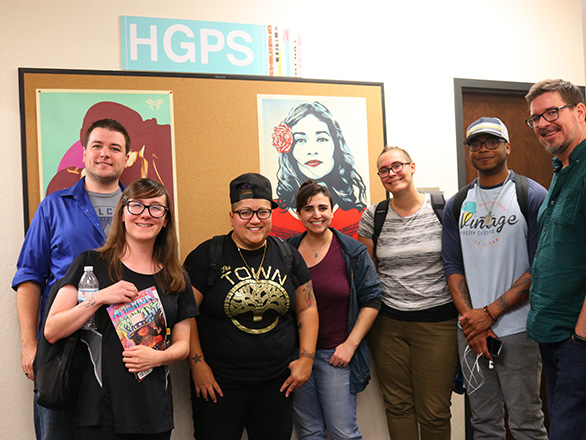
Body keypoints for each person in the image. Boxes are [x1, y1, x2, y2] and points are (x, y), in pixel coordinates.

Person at [43, 178, 197, 440]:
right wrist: (100, 297)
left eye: (156, 208)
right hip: (98, 411)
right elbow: (52, 330)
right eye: (136, 205)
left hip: (152, 413)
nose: (145, 215)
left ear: (166, 220)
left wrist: (158, 358)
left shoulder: (176, 277)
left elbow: (183, 345)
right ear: (123, 213)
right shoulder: (91, 264)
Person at [12, 118, 130, 440]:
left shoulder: (141, 211)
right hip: (61, 350)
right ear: (84, 153)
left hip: (125, 352)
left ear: (127, 158)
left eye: (115, 148)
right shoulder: (53, 207)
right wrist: (28, 345)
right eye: (97, 146)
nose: (105, 154)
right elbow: (29, 277)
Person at [183, 172, 319, 440]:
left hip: (277, 385)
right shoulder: (206, 255)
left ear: (271, 214)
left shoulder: (287, 255)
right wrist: (197, 367)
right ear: (231, 216)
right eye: (245, 212)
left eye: (262, 212)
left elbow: (307, 308)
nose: (255, 220)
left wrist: (306, 359)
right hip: (218, 385)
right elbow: (186, 315)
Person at [442, 117, 548, 438]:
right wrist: (471, 322)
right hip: (470, 333)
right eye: (475, 143)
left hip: (519, 330)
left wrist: (489, 314)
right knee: (484, 425)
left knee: (526, 423)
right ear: (469, 151)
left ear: (507, 147)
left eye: (491, 142)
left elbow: (540, 266)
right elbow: (451, 265)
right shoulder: (458, 204)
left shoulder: (530, 195)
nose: (483, 149)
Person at [357, 146, 458, 439]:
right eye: (384, 170)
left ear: (412, 167)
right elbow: (369, 272)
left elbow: (459, 263)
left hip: (437, 323)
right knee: (398, 406)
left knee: (435, 409)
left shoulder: (443, 208)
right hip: (387, 325)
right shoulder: (373, 216)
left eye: (397, 166)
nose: (391, 174)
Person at [286, 181, 382, 440]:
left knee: (343, 433)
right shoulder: (287, 251)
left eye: (322, 207)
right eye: (308, 208)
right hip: (296, 355)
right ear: (298, 213)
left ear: (333, 210)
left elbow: (373, 299)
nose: (316, 214)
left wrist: (350, 345)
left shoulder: (352, 252)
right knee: (309, 432)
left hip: (335, 356)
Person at [524, 79, 586, 439]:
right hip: (554, 335)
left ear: (579, 110)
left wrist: (581, 335)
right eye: (535, 118)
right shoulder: (562, 169)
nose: (543, 123)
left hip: (577, 338)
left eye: (552, 112)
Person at [270, 101, 368, 239]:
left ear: (336, 145)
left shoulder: (359, 215)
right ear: (289, 150)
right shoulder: (271, 215)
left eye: (322, 139)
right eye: (301, 140)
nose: (312, 151)